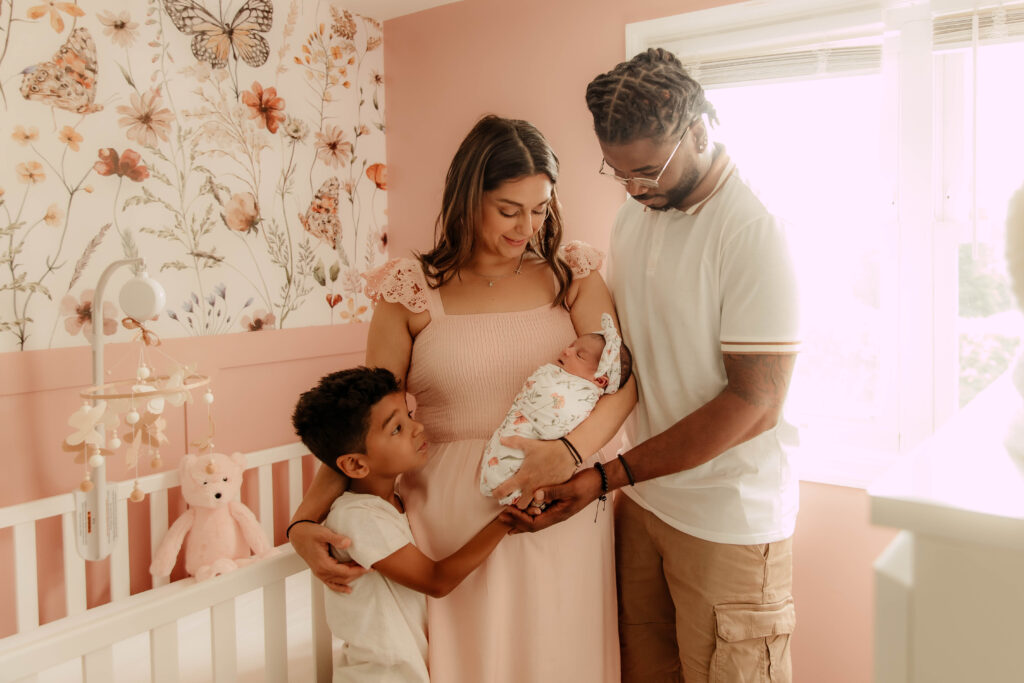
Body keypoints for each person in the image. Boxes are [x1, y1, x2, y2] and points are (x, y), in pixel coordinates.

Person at [288, 114, 637, 682]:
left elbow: (621, 384)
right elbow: (365, 426)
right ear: (467, 196)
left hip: (558, 504)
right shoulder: (409, 289)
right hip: (447, 516)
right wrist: (303, 521)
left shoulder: (571, 273)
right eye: (508, 209)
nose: (526, 226)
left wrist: (568, 453)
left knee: (560, 658)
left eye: (540, 208)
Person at [504, 48, 802, 682]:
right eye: (618, 173)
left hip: (726, 519)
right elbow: (629, 357)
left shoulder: (750, 233)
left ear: (697, 131)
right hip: (644, 504)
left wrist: (607, 474)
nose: (636, 187)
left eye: (648, 169)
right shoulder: (633, 220)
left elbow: (754, 404)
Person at [291, 366, 511, 682]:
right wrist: (505, 520)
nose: (418, 427)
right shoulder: (358, 517)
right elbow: (436, 580)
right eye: (396, 429)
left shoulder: (394, 499)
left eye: (409, 415)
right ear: (355, 464)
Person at [480, 312, 633, 504]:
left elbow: (560, 414)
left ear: (599, 380)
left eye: (579, 355)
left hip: (547, 458)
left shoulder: (582, 395)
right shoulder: (561, 375)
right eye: (571, 346)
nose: (566, 351)